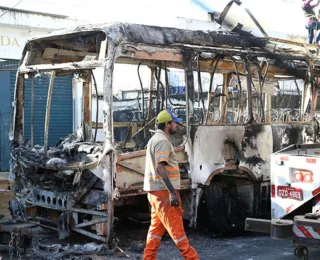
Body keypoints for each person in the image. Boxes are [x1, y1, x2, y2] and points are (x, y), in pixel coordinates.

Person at [143, 110, 199, 260]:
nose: (176, 125)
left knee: (155, 231)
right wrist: (172, 192)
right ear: (167, 124)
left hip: (156, 193)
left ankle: (148, 258)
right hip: (164, 194)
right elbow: (160, 168)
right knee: (178, 233)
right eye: (173, 122)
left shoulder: (155, 139)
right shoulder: (162, 141)